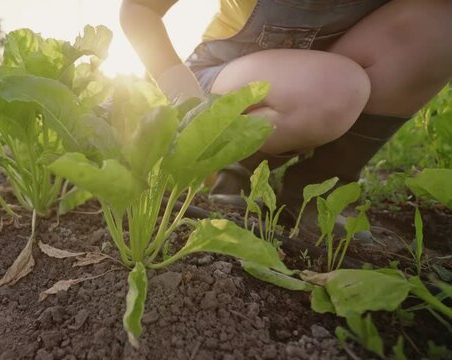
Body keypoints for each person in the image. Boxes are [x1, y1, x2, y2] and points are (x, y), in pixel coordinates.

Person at [119, 0, 452, 239]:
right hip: (229, 75)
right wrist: (190, 108)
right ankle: (232, 169)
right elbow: (138, 9)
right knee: (336, 87)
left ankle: (320, 185)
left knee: (441, 24)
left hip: (332, 68)